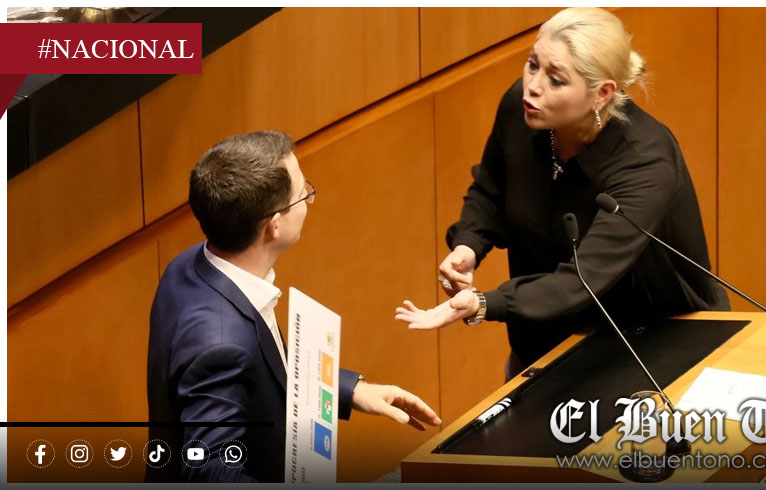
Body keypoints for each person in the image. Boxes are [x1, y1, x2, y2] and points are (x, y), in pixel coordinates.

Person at [395, 8, 729, 380]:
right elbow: (490, 188)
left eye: (556, 80)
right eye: (532, 65)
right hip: (546, 344)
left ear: (602, 94)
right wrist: (468, 244)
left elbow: (583, 279)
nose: (533, 86)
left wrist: (484, 303)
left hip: (654, 350)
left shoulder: (645, 163)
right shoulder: (521, 109)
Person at [147, 131, 441, 483]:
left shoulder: (189, 265)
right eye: (303, 194)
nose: (308, 200)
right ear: (273, 224)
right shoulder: (222, 345)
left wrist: (349, 391)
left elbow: (263, 368)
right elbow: (210, 472)